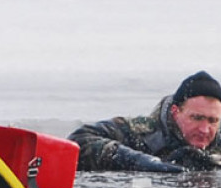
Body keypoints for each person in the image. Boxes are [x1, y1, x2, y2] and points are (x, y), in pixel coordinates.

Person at [68, 71, 221, 172]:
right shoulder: (141, 133)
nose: (205, 130)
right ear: (175, 112)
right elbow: (79, 140)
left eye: (213, 121)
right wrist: (144, 162)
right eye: (197, 118)